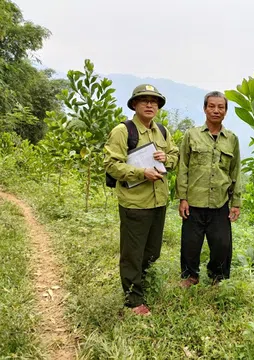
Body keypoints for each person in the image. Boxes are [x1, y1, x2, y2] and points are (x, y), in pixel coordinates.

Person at [104, 84, 179, 316]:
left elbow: (175, 157)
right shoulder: (123, 131)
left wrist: (166, 158)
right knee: (132, 253)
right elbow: (111, 164)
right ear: (134, 105)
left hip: (158, 201)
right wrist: (141, 173)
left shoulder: (163, 132)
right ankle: (133, 300)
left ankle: (141, 283)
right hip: (135, 203)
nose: (150, 104)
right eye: (144, 100)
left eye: (154, 101)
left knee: (152, 251)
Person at [176, 91, 241, 288]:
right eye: (212, 106)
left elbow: (235, 171)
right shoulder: (191, 135)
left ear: (226, 111)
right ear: (205, 109)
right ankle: (190, 276)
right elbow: (183, 167)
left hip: (220, 202)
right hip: (194, 201)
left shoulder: (231, 139)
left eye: (220, 107)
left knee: (222, 245)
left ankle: (218, 278)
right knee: (190, 244)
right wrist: (182, 198)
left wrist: (236, 202)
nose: (216, 110)